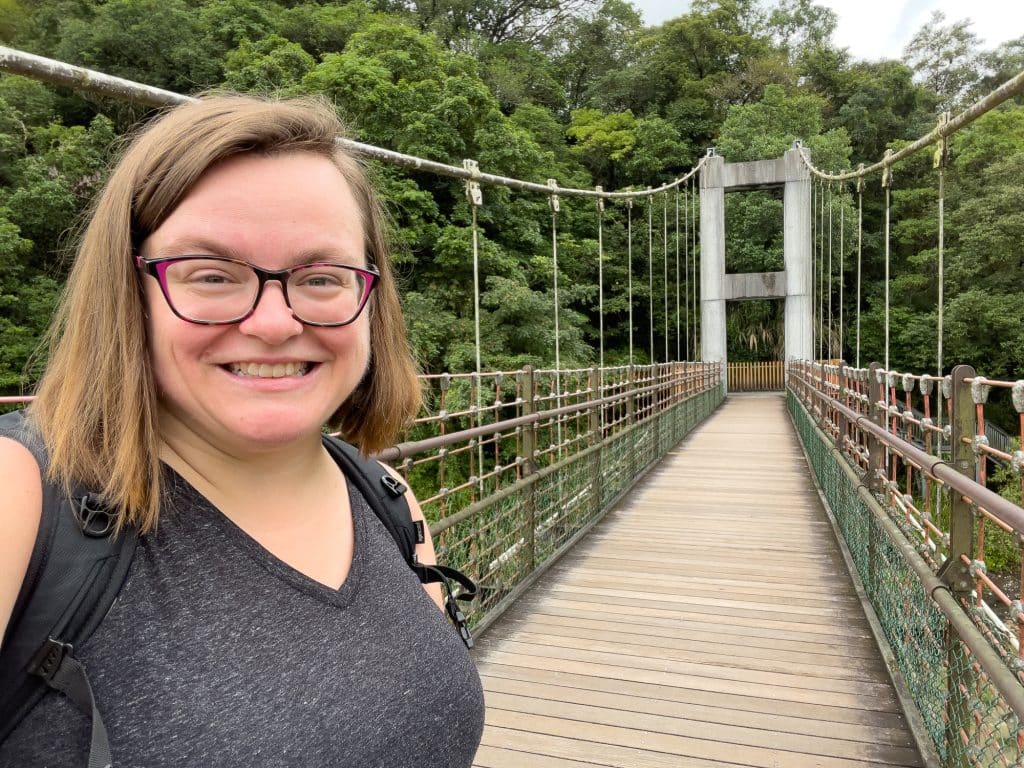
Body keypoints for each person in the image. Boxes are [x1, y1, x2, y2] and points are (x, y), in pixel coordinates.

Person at [0, 95, 485, 767]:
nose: (273, 323)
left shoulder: (387, 497)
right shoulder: (20, 496)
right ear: (127, 292)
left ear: (369, 296)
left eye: (321, 276)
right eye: (211, 274)